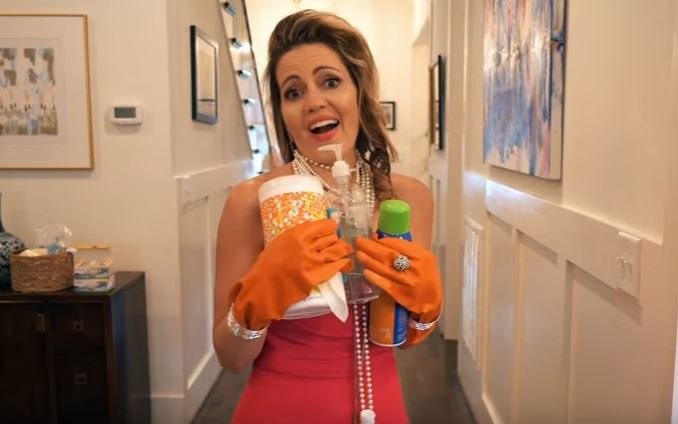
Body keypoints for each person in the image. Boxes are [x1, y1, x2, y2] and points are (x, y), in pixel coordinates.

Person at [212, 10, 443, 423]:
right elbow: (231, 358)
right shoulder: (252, 201)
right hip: (277, 408)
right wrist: (256, 300)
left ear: (359, 91)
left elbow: (406, 339)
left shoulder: (408, 198)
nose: (314, 101)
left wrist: (427, 309)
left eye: (331, 82)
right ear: (283, 112)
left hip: (381, 404)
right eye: (293, 92)